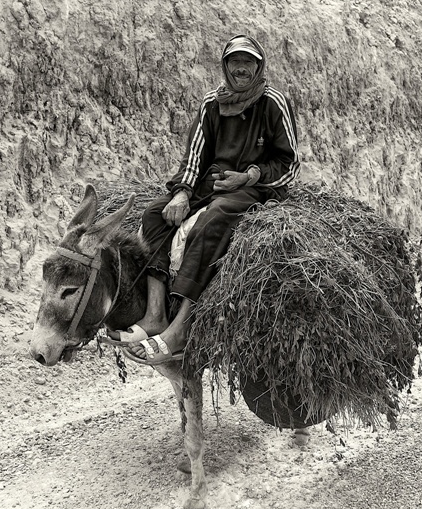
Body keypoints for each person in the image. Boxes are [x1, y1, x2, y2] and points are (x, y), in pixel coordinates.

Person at [104, 34, 300, 366]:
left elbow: (288, 164)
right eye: (235, 62)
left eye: (248, 62)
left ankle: (180, 327)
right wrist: (181, 192)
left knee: (213, 220)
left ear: (259, 66)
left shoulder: (273, 102)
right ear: (225, 66)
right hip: (211, 184)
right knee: (155, 216)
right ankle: (154, 314)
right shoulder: (212, 102)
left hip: (257, 189)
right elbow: (194, 157)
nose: (241, 69)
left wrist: (249, 176)